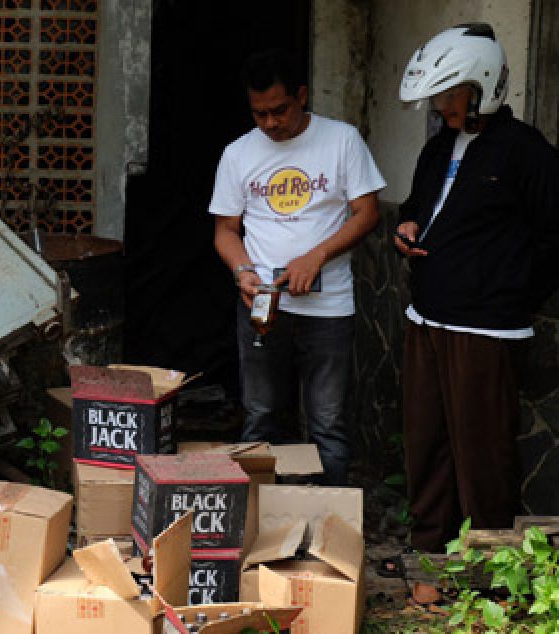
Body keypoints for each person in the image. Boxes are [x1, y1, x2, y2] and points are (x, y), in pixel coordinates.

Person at [395, 23, 559, 552]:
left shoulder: (525, 151)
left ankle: (487, 566)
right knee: (427, 444)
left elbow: (554, 237)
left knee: (482, 454)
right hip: (427, 318)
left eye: (448, 93)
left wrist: (510, 294)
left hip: (486, 328)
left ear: (481, 85)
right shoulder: (439, 147)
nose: (441, 105)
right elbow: (418, 207)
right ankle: (429, 550)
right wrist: (406, 228)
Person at [210, 49, 386, 486]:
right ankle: (257, 526)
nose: (270, 123)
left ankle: (329, 535)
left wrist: (317, 256)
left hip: (328, 309)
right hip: (263, 306)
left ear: (302, 96)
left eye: (279, 110)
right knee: (261, 416)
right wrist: (242, 273)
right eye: (259, 114)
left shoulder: (342, 140)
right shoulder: (238, 154)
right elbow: (225, 231)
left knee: (327, 422)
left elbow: (367, 213)